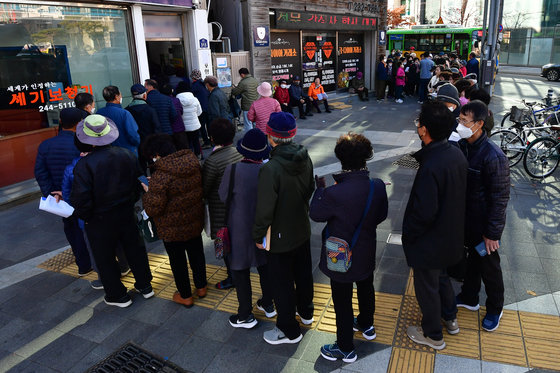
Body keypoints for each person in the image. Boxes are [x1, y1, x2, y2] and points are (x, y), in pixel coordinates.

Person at [310, 133, 388, 363]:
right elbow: (380, 215)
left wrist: (320, 192)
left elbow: (316, 214)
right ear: (366, 157)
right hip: (366, 249)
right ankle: (366, 324)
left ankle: (345, 347)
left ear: (341, 159)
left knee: (342, 300)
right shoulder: (377, 186)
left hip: (340, 255)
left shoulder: (333, 193)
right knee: (366, 286)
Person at [402, 101, 468, 350]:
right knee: (441, 279)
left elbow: (424, 212)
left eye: (419, 123)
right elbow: (423, 156)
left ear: (424, 130)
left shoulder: (431, 166)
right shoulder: (453, 152)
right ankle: (450, 319)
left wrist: (409, 235)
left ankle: (433, 335)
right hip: (449, 235)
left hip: (429, 241)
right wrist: (404, 162)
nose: (417, 126)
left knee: (427, 286)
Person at [71, 114, 154, 307]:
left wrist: (86, 216)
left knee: (105, 257)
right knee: (135, 249)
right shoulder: (126, 154)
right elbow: (137, 184)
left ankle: (118, 295)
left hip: (99, 218)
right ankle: (145, 286)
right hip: (126, 211)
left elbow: (81, 198)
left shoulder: (84, 165)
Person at [253, 112, 315, 345]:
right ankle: (306, 313)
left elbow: (264, 209)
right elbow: (309, 188)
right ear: (293, 134)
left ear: (271, 137)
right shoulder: (305, 156)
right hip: (302, 227)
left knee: (282, 282)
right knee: (303, 273)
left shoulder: (271, 168)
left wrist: (258, 234)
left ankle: (289, 329)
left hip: (279, 235)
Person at [455, 100, 510, 332]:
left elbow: (500, 199)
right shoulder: (464, 146)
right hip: (467, 220)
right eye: (459, 120)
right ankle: (469, 297)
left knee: (489, 266)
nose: (460, 124)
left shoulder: (493, 156)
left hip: (484, 225)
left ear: (478, 124)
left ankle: (495, 308)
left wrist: (492, 233)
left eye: (464, 121)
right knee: (472, 260)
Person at [141, 134, 207, 308]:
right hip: (194, 219)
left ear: (158, 154)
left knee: (177, 261)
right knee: (197, 254)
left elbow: (153, 208)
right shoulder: (192, 162)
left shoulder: (160, 176)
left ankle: (185, 295)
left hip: (172, 228)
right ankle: (201, 287)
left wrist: (148, 191)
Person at [219, 129, 276, 328]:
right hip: (264, 228)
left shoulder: (233, 170)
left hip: (239, 228)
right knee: (265, 267)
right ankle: (268, 304)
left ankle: (245, 315)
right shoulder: (269, 170)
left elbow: (223, 196)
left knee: (240, 270)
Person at [34, 107, 92, 276]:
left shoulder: (45, 145)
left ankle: (83, 264)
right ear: (79, 124)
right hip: (82, 195)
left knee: (72, 230)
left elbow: (40, 172)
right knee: (90, 228)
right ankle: (99, 262)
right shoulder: (82, 143)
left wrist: (51, 193)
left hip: (61, 199)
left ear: (60, 122)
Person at [202, 118, 243, 290]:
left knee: (225, 244)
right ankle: (239, 271)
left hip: (221, 210)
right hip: (238, 206)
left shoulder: (213, 161)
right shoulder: (239, 153)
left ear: (212, 138)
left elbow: (204, 188)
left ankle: (233, 277)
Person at [97, 86, 141, 156]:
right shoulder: (124, 114)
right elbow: (133, 135)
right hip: (127, 152)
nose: (121, 97)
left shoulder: (99, 113)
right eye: (120, 95)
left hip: (107, 153)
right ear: (116, 96)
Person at [176, 88, 203, 158]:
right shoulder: (195, 99)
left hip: (184, 126)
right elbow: (199, 112)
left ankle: (189, 158)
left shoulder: (177, 100)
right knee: (196, 141)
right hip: (195, 125)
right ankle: (198, 156)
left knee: (187, 142)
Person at [231, 68, 259, 132]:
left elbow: (235, 92)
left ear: (242, 74)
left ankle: (250, 138)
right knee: (255, 123)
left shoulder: (243, 82)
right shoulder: (254, 80)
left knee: (248, 123)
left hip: (247, 106)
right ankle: (257, 136)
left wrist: (233, 89)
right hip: (256, 105)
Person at [190, 69, 212, 149]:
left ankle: (206, 142)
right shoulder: (204, 83)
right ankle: (212, 140)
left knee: (202, 126)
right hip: (208, 107)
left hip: (201, 108)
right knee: (209, 124)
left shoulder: (194, 85)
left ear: (193, 77)